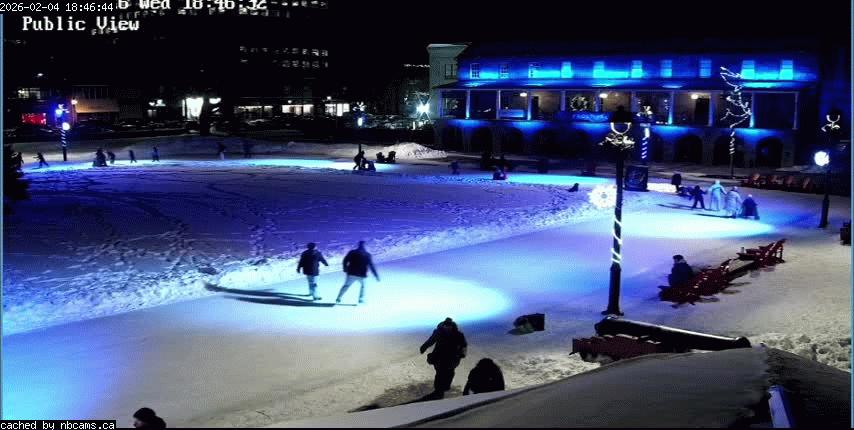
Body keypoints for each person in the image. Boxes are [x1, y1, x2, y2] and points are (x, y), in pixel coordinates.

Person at [420, 318, 468, 399]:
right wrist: (424, 347)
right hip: (440, 357)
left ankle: (442, 389)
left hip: (452, 358)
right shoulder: (439, 332)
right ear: (444, 325)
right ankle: (439, 391)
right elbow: (431, 340)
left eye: (449, 326)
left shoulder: (458, 334)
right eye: (446, 326)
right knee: (440, 373)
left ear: (452, 326)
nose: (447, 327)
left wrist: (462, 354)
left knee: (449, 373)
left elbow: (464, 345)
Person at [335, 241, 379, 305]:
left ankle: (338, 298)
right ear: (365, 246)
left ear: (358, 245)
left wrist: (345, 268)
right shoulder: (367, 255)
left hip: (351, 273)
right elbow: (371, 266)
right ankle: (361, 299)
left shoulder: (352, 252)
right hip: (362, 275)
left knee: (346, 286)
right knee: (363, 286)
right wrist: (376, 276)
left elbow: (345, 260)